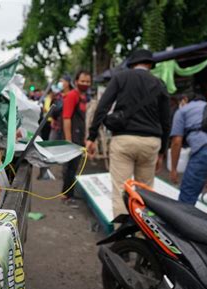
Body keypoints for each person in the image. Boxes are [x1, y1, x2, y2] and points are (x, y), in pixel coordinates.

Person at [86, 49, 170, 217]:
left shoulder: (120, 78)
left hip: (124, 140)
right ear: (150, 64)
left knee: (121, 190)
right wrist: (162, 152)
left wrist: (92, 137)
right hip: (151, 142)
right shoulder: (159, 83)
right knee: (144, 192)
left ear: (131, 64)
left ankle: (123, 239)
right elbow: (166, 120)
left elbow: (102, 107)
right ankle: (140, 235)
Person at [61, 70, 91, 206]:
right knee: (71, 167)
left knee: (75, 167)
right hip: (72, 137)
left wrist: (85, 137)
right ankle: (67, 195)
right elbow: (66, 118)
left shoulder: (83, 97)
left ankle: (69, 193)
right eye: (82, 81)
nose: (85, 84)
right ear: (76, 81)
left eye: (88, 82)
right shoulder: (72, 96)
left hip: (79, 136)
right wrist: (68, 140)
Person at [49, 75, 72, 140]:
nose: (60, 83)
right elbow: (52, 109)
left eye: (61, 81)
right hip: (56, 127)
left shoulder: (72, 95)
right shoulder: (57, 95)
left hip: (67, 127)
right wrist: (52, 119)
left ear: (67, 83)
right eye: (59, 81)